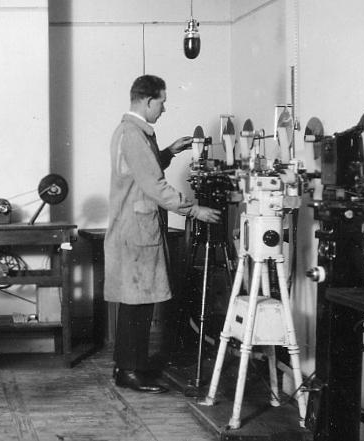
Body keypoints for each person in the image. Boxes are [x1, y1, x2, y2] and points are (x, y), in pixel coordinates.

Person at [105, 74, 221, 394]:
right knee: (138, 301)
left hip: (135, 228)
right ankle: (130, 370)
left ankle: (127, 366)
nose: (164, 109)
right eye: (162, 102)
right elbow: (154, 185)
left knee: (137, 300)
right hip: (137, 230)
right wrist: (195, 210)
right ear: (147, 101)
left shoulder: (131, 132)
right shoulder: (133, 134)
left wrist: (169, 151)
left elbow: (144, 170)